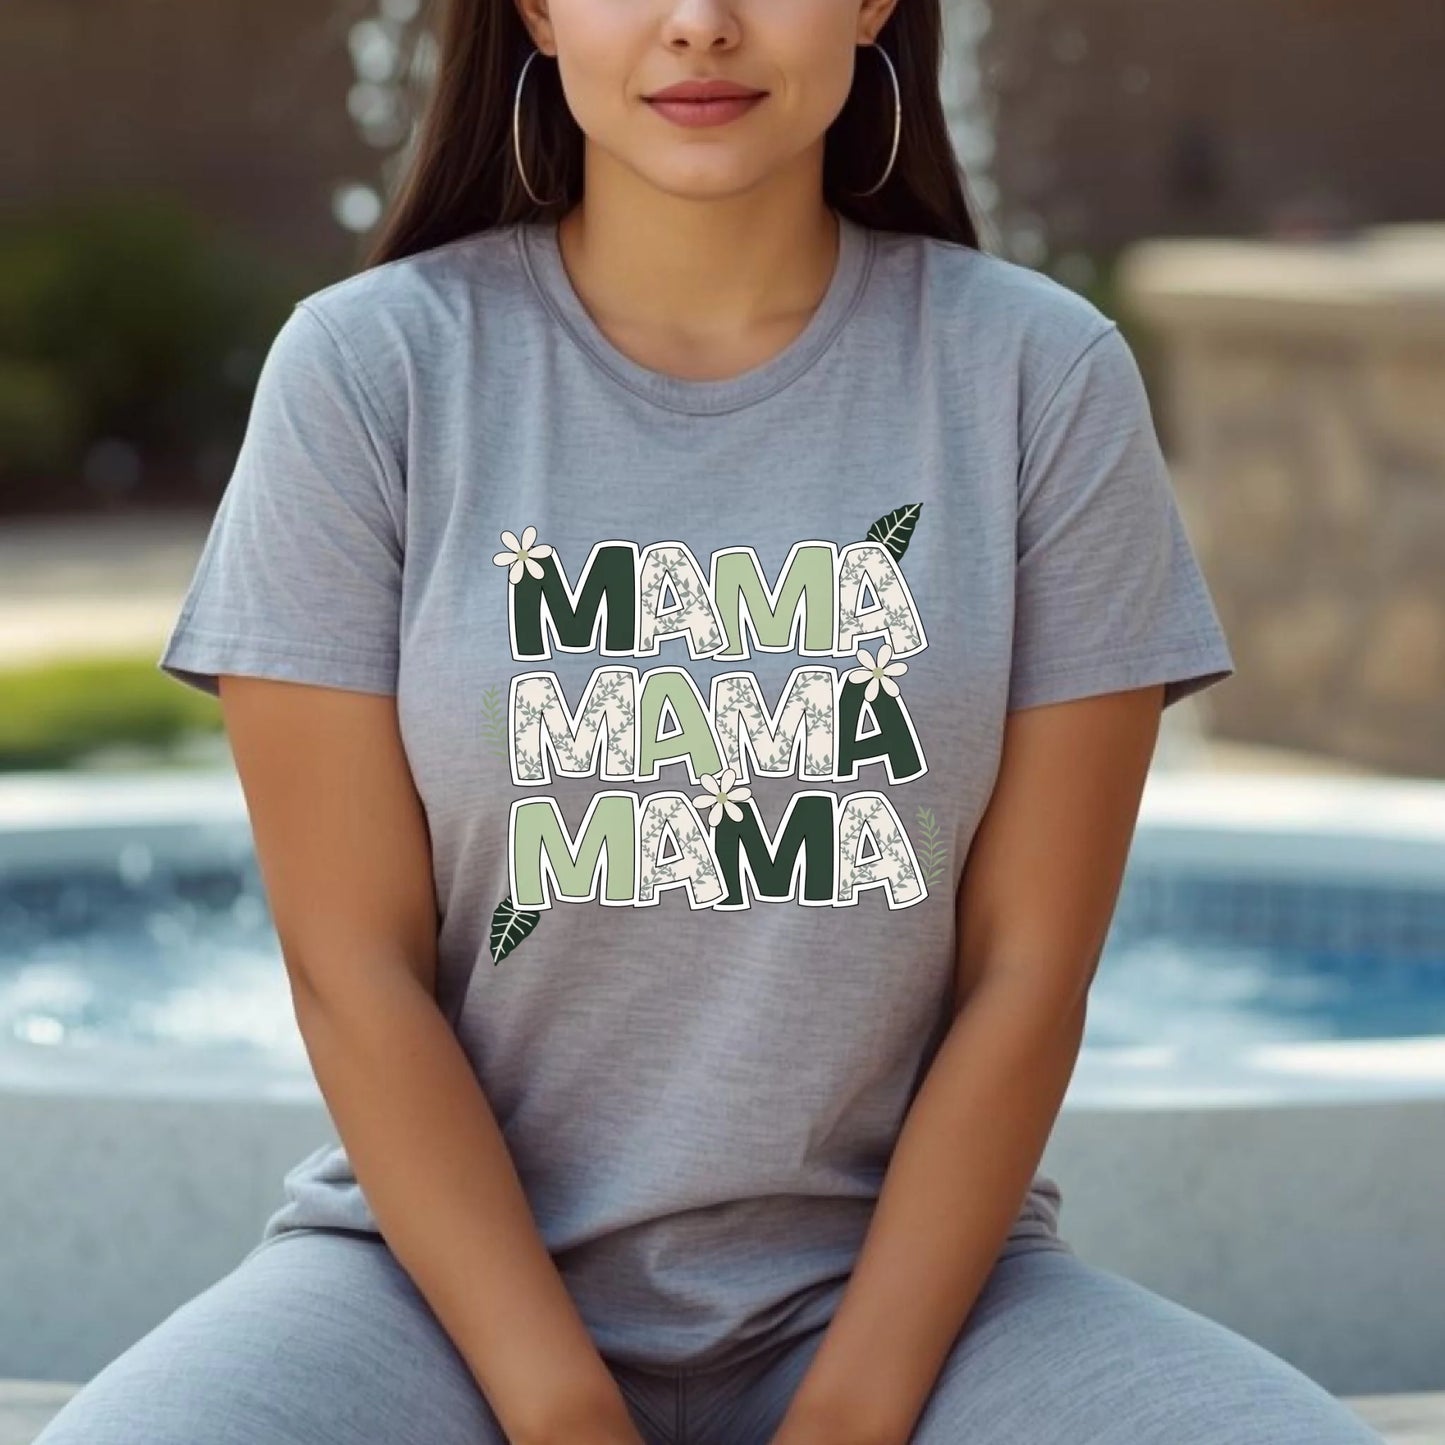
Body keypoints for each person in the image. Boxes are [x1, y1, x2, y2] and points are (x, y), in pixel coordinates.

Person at [37, 0, 1384, 1442]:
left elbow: (1025, 975)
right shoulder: (372, 374)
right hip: (429, 1303)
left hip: (916, 1312)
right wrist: (560, 1410)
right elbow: (349, 967)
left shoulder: (1034, 378)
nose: (700, 25)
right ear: (538, 12)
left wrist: (853, 1415)